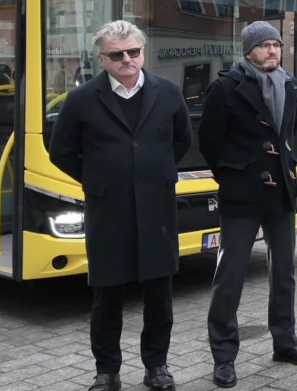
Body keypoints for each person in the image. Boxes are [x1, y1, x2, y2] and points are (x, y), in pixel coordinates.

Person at [50, 21, 192, 391]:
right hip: (108, 210)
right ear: (102, 59)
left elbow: (181, 141)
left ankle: (156, 367)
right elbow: (61, 151)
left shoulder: (168, 91)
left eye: (134, 51)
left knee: (160, 295)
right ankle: (107, 371)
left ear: (143, 51)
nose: (127, 59)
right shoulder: (82, 99)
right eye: (117, 54)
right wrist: (97, 179)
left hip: (157, 209)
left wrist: (152, 173)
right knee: (107, 294)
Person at [199, 21, 297, 388]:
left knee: (284, 273)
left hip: (281, 190)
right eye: (265, 45)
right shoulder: (225, 87)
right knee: (230, 276)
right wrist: (235, 175)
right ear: (248, 50)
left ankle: (285, 342)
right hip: (242, 193)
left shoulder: (289, 84)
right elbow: (209, 143)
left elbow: (287, 135)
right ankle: (223, 355)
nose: (273, 51)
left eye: (277, 45)